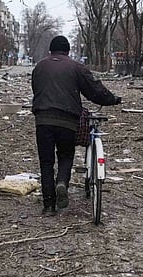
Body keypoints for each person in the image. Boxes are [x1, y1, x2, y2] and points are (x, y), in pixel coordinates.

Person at [31, 35, 122, 216]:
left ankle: (48, 205)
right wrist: (112, 100)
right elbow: (94, 90)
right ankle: (62, 182)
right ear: (68, 50)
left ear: (51, 49)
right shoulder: (76, 67)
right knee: (66, 154)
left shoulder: (39, 67)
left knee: (46, 161)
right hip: (67, 120)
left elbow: (36, 89)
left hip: (42, 119)